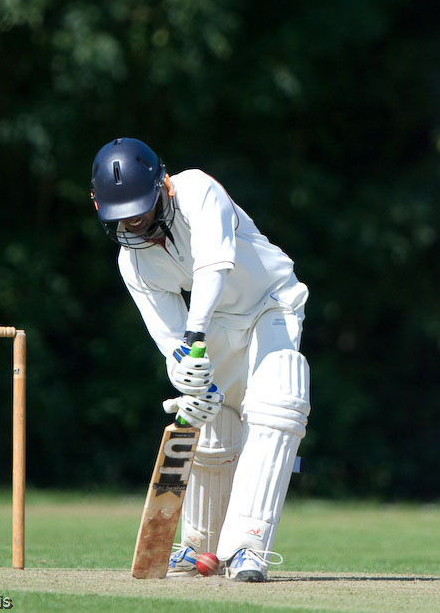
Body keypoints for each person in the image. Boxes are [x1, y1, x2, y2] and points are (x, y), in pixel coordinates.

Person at [90, 137, 310, 582]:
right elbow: (169, 338)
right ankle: (200, 547)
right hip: (213, 327)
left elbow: (213, 267)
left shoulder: (196, 190)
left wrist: (194, 339)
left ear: (163, 186)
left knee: (278, 401)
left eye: (141, 210)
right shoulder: (134, 264)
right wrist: (188, 379)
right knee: (212, 415)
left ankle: (248, 546)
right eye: (123, 216)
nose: (134, 223)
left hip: (271, 304)